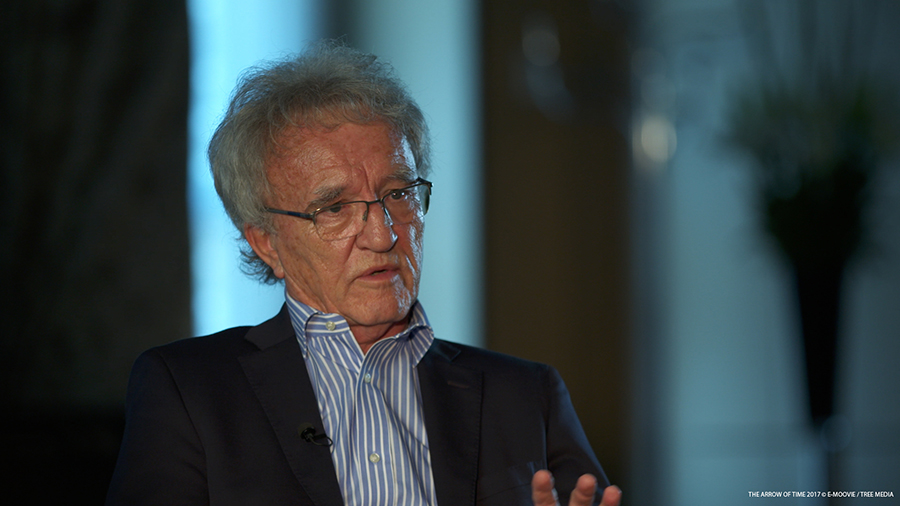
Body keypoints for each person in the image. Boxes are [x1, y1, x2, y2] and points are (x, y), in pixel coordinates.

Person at [105, 40, 622, 506]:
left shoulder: (525, 394)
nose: (382, 234)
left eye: (398, 194)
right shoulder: (189, 391)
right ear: (266, 242)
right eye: (334, 208)